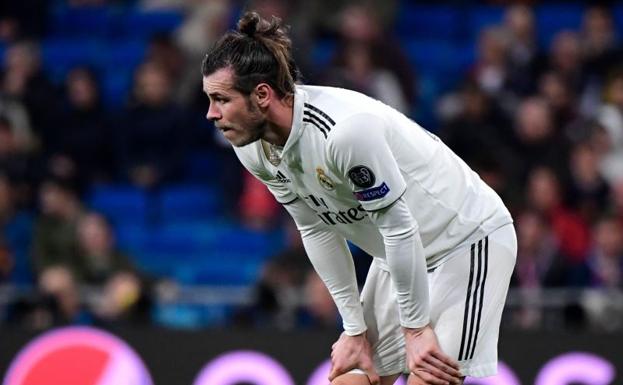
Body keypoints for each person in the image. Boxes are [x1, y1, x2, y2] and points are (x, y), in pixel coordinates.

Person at [201, 12, 516, 385]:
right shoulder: (253, 147)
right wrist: (353, 327)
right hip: (396, 255)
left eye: (221, 99)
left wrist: (415, 330)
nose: (211, 114)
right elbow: (315, 229)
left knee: (428, 376)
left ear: (263, 95)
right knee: (351, 379)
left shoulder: (344, 133)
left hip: (465, 239)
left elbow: (400, 228)